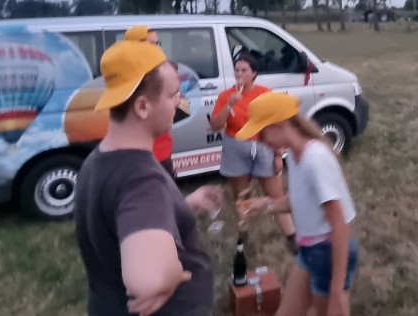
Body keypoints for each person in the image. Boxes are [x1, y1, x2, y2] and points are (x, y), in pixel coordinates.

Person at [74, 40, 223, 316]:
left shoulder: (98, 160)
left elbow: (130, 218)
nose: (178, 102)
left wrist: (185, 205)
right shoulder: (140, 178)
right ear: (142, 106)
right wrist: (171, 274)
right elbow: (147, 279)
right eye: (173, 94)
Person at [239, 91, 358, 316]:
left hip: (328, 253)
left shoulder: (315, 160)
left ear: (281, 124)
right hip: (310, 250)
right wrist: (266, 204)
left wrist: (336, 291)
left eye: (262, 133)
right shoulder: (294, 155)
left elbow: (340, 225)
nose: (261, 141)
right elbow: (300, 200)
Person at [209, 53, 298, 252]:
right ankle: (244, 234)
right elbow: (215, 125)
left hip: (263, 147)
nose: (239, 74)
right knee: (242, 195)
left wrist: (278, 155)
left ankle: (292, 236)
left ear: (254, 73)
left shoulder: (265, 93)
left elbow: (277, 125)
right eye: (237, 70)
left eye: (244, 70)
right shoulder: (226, 95)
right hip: (236, 147)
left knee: (275, 194)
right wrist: (229, 105)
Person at [125, 25, 177, 177]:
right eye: (152, 44)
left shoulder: (161, 71)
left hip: (163, 151)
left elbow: (178, 106)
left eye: (157, 43)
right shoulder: (127, 78)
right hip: (141, 155)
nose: (157, 48)